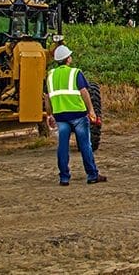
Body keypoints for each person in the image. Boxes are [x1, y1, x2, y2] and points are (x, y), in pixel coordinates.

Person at [43, 45, 107, 186]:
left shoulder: (50, 76)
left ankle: (64, 178)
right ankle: (92, 175)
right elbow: (84, 92)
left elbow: (47, 98)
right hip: (78, 115)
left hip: (60, 116)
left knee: (63, 147)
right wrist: (91, 110)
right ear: (68, 59)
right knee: (85, 145)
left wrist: (49, 115)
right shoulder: (75, 73)